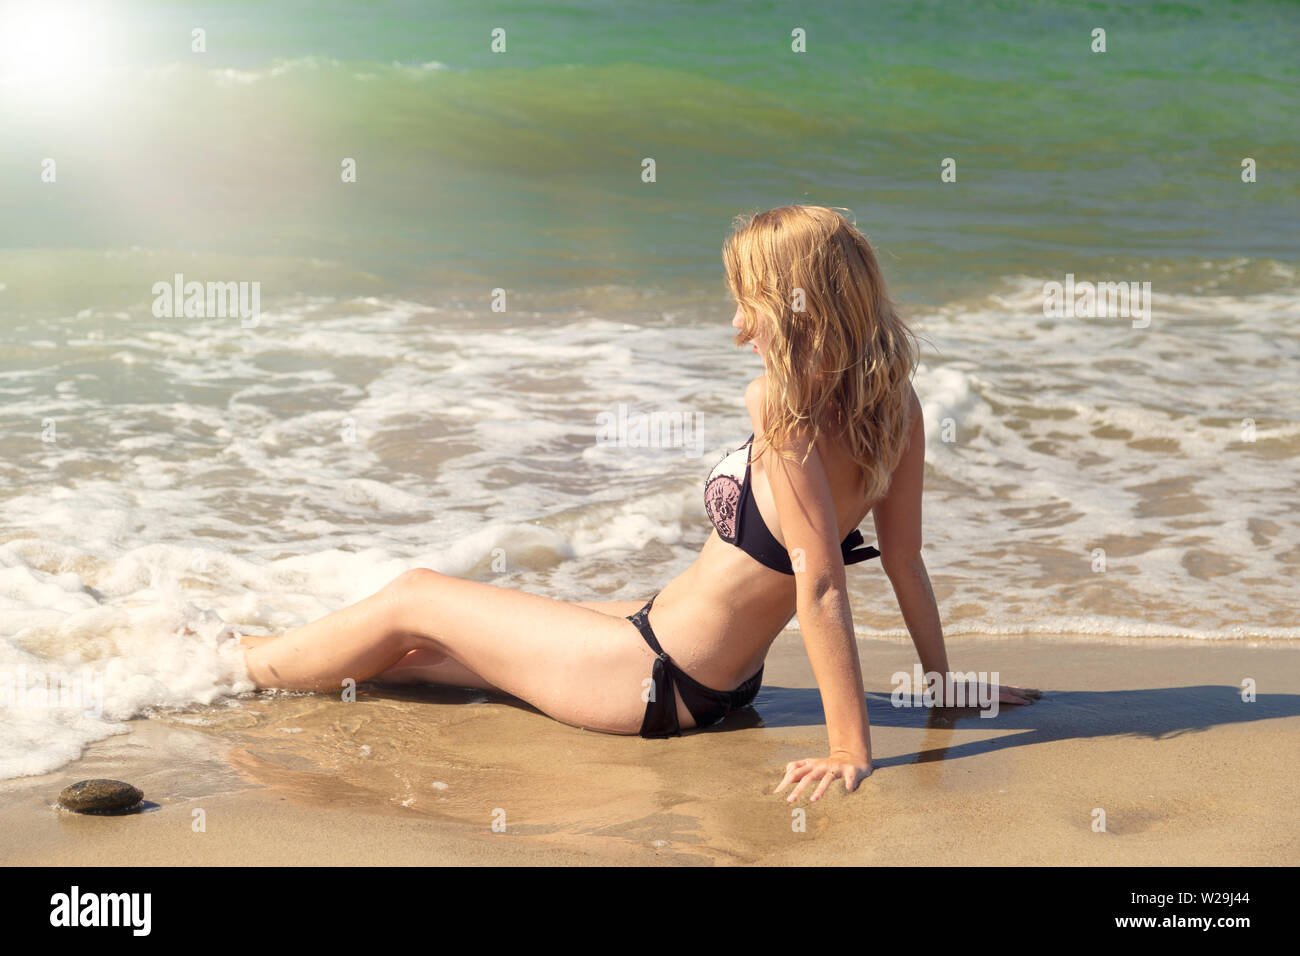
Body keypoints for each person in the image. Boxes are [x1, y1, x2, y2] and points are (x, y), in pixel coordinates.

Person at [239, 204, 1041, 803]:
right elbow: (902, 557)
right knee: (420, 656)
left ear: (799, 306)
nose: (737, 327)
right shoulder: (897, 404)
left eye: (749, 303)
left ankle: (225, 661)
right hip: (692, 660)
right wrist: (943, 684)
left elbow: (823, 581)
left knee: (414, 594)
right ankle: (270, 658)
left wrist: (848, 748)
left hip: (653, 679)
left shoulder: (780, 404)